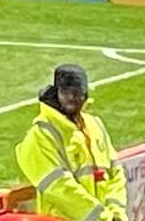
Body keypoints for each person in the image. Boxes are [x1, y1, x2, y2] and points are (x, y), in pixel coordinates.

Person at [15, 65, 127, 221]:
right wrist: (101, 217)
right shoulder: (41, 134)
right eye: (65, 92)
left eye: (76, 93)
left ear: (85, 95)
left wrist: (116, 212)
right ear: (57, 93)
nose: (71, 98)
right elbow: (59, 188)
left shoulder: (95, 125)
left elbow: (115, 173)